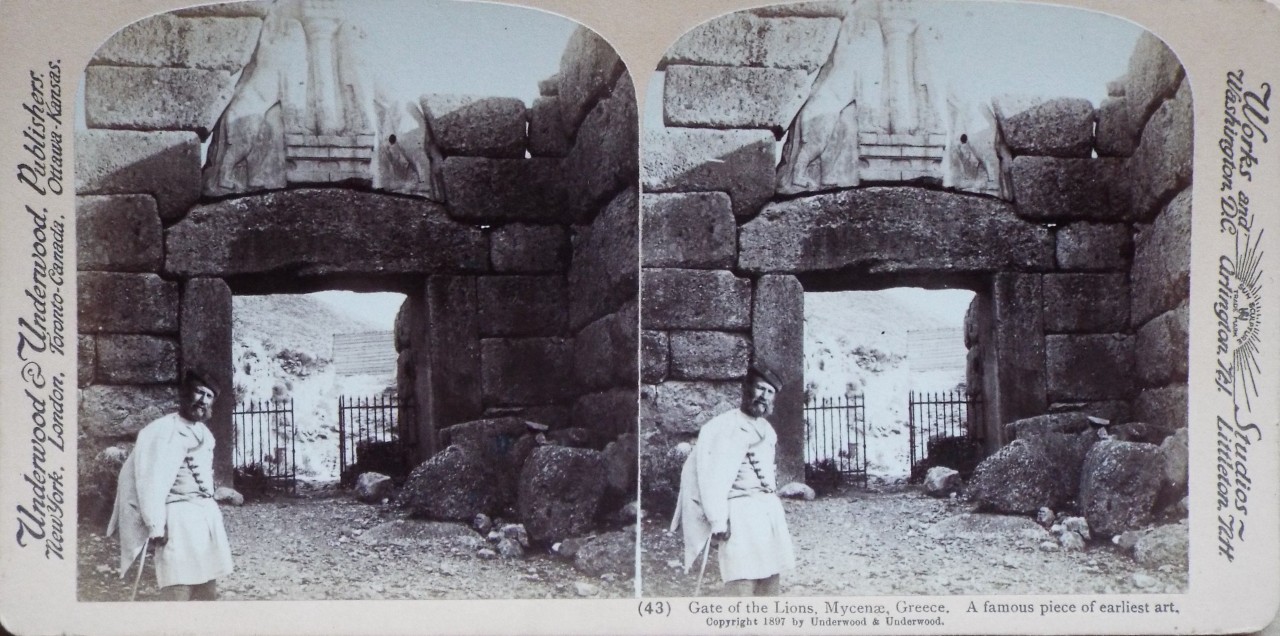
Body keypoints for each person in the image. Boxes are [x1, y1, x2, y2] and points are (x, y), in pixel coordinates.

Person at [108, 370, 234, 601]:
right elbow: (150, 481)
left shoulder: (204, 433)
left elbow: (202, 475)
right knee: (178, 582)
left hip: (205, 516)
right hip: (177, 518)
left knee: (207, 582)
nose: (202, 401)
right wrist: (156, 525)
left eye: (208, 396)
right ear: (185, 393)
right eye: (198, 392)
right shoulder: (162, 431)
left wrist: (217, 492)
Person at [670, 366, 796, 596]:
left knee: (770, 576)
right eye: (759, 388)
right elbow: (712, 478)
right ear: (746, 389)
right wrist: (718, 521)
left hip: (767, 512)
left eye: (769, 392)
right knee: (742, 577)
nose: (763, 396)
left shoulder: (767, 429)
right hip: (740, 514)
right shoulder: (723, 427)